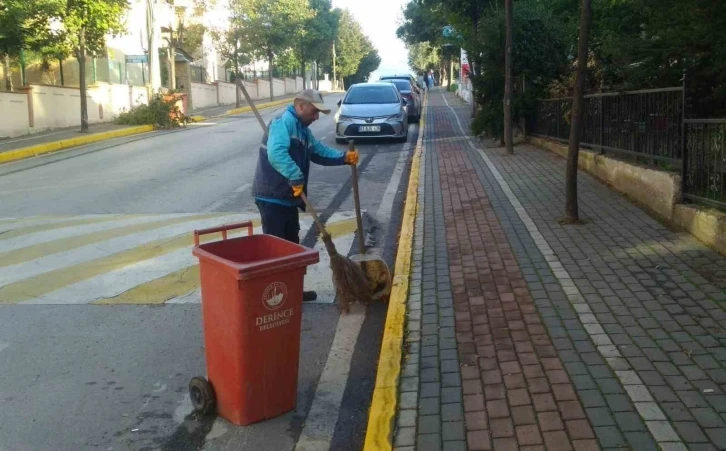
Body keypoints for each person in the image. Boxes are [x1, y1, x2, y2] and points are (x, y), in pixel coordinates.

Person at [251, 89, 359, 302]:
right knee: (276, 249)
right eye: (313, 111)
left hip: (288, 197)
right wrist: (296, 177)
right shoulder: (284, 122)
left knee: (291, 246)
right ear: (300, 106)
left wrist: (343, 157)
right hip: (272, 196)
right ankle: (273, 297)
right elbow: (276, 153)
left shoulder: (302, 128)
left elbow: (317, 151)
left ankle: (292, 291)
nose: (316, 117)